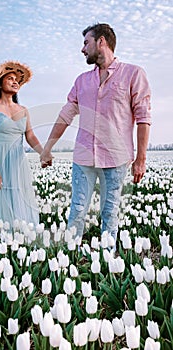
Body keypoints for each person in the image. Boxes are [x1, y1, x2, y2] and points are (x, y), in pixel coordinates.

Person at [40, 23, 151, 248]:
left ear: (101, 41)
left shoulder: (133, 73)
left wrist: (141, 159)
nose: (83, 49)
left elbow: (143, 118)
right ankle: (70, 257)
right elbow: (65, 115)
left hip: (116, 157)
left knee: (110, 211)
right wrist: (47, 148)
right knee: (77, 209)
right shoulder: (82, 81)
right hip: (83, 156)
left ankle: (107, 259)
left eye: (86, 43)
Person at [0, 60, 43, 229]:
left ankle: (23, 238)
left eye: (16, 79)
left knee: (20, 196)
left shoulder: (23, 109)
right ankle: (4, 241)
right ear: (0, 84)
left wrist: (43, 153)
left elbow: (30, 136)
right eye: (10, 78)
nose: (15, 81)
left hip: (18, 161)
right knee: (3, 201)